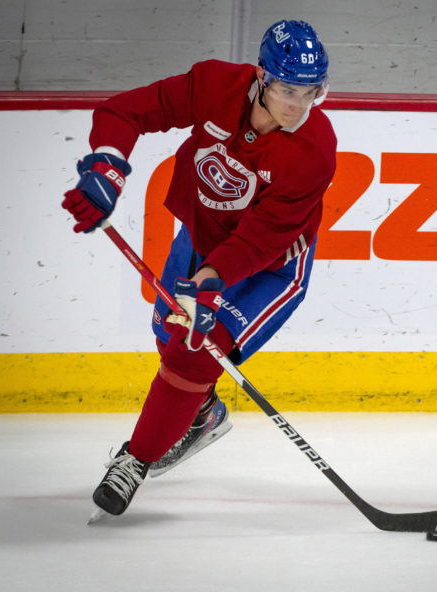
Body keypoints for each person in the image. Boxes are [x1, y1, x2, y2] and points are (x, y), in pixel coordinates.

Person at [62, 19, 337, 518]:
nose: (298, 104)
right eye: (288, 89)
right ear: (262, 76)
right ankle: (203, 414)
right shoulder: (215, 85)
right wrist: (107, 166)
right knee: (170, 335)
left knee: (192, 356)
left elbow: (259, 240)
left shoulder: (315, 150)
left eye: (311, 92)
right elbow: (125, 111)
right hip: (202, 235)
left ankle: (134, 461)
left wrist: (209, 284)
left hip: (269, 266)